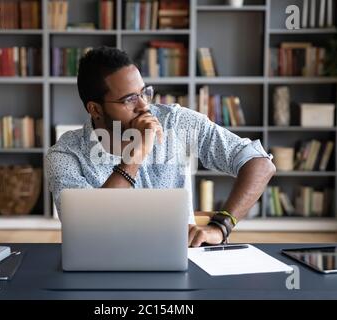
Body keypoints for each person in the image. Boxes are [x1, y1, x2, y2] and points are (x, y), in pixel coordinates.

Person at [45, 46, 275, 247]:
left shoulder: (175, 121)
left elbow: (260, 163)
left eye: (144, 92)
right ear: (95, 109)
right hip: (105, 265)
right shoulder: (65, 156)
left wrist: (222, 225)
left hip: (181, 257)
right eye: (129, 99)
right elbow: (87, 228)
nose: (144, 106)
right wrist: (138, 154)